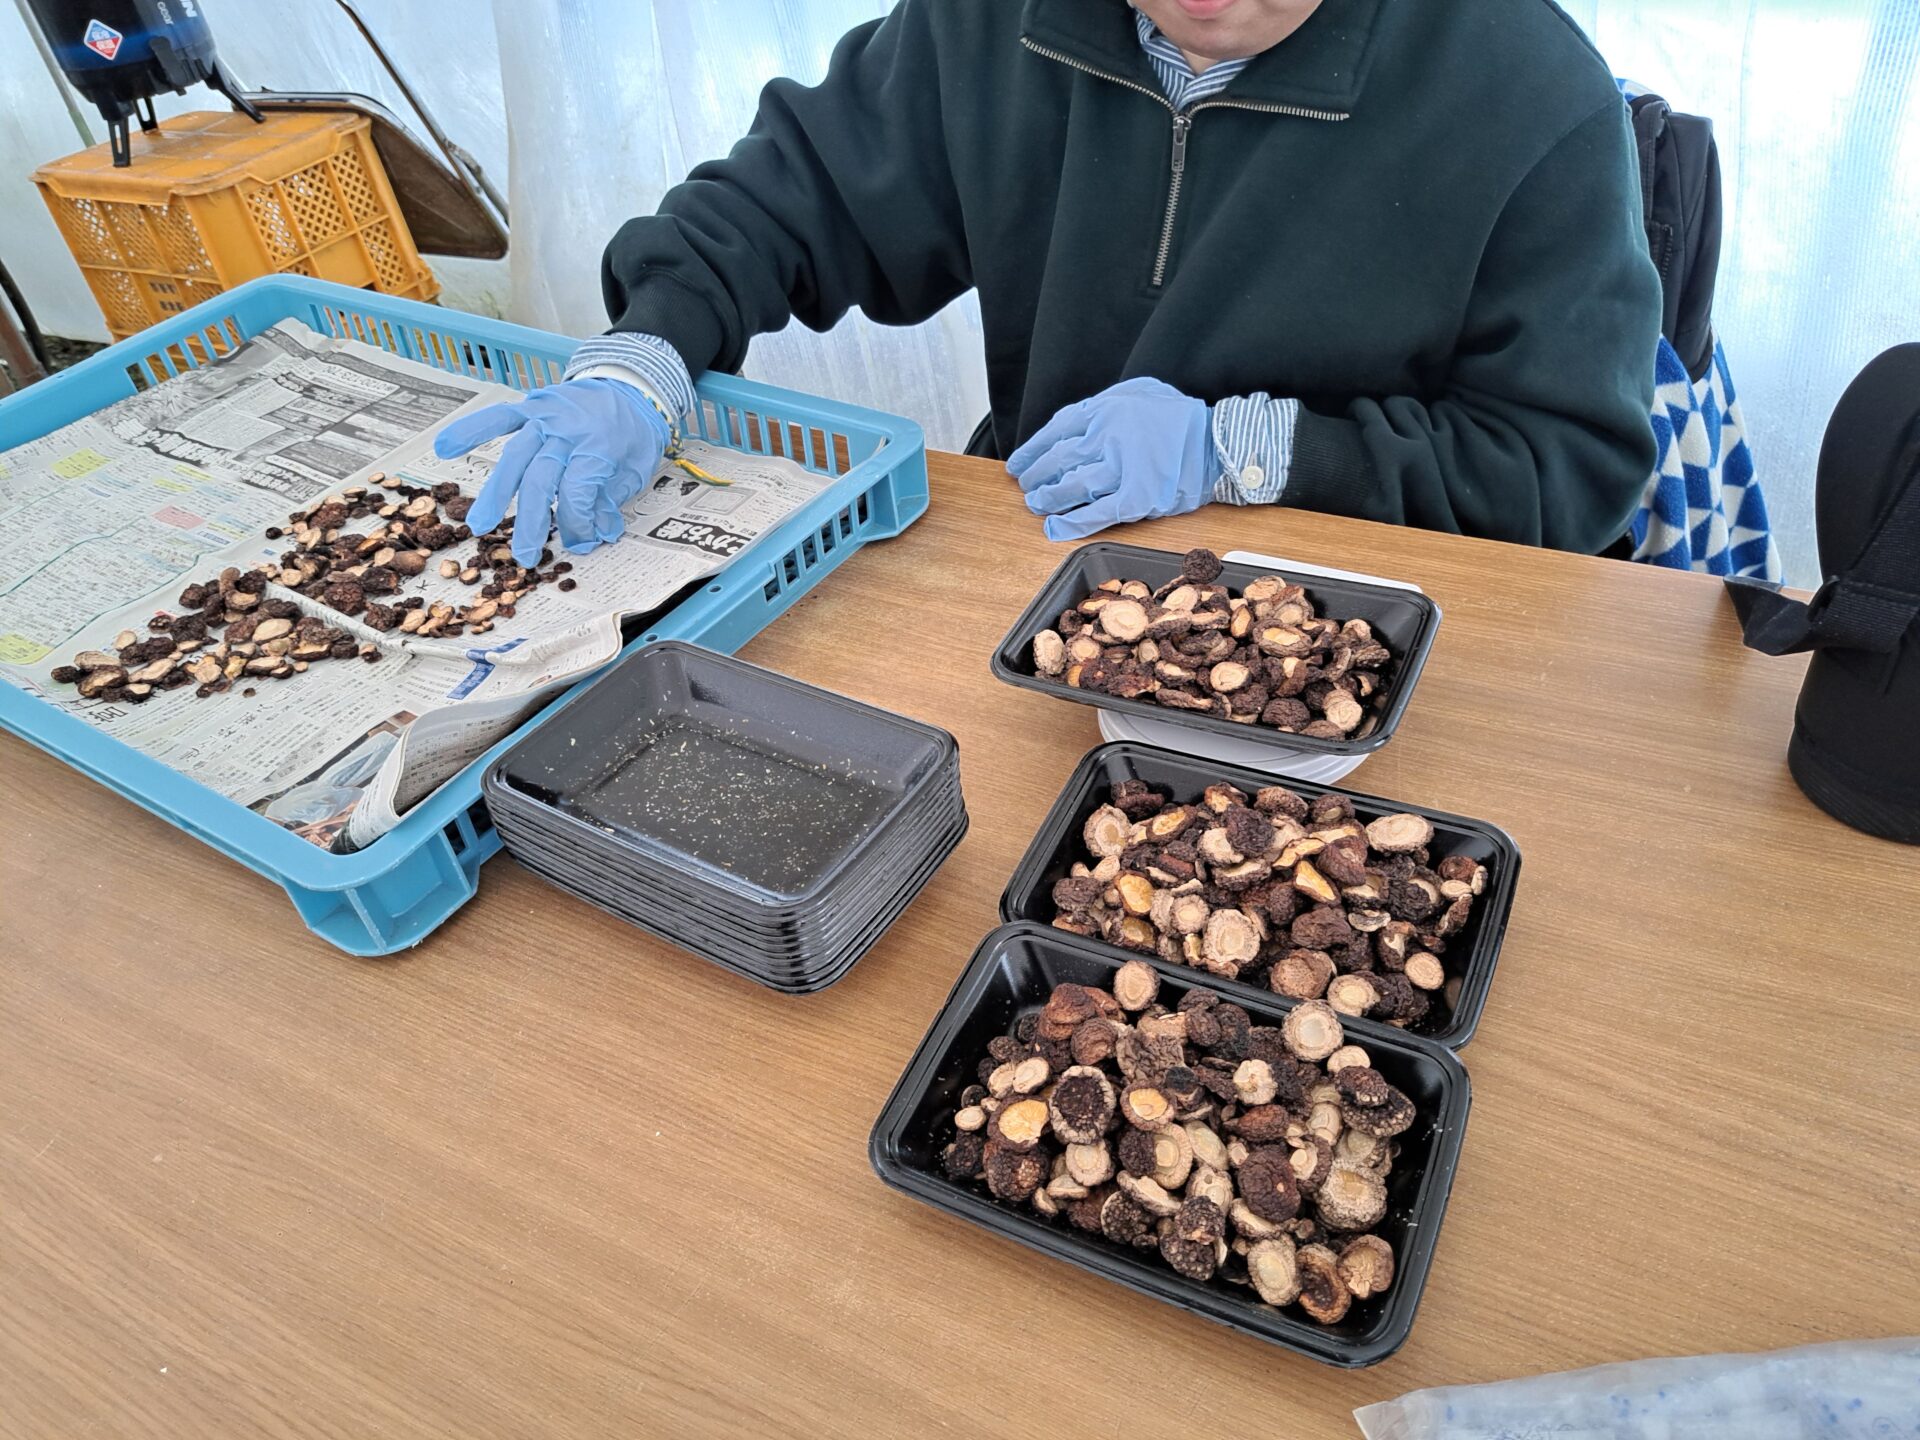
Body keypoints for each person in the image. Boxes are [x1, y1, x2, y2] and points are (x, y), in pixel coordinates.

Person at [438, 0, 1662, 566]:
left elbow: (1564, 472)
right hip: (1053, 541)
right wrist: (647, 352)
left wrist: (1249, 450)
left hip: (1370, 605)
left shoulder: (1528, 91)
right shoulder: (994, 21)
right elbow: (792, 197)